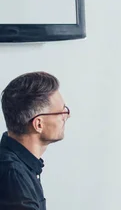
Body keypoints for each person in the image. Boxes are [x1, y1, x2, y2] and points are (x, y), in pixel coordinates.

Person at [0, 72, 70, 210]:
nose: (67, 116)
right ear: (38, 124)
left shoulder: (18, 166)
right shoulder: (13, 176)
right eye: (61, 112)